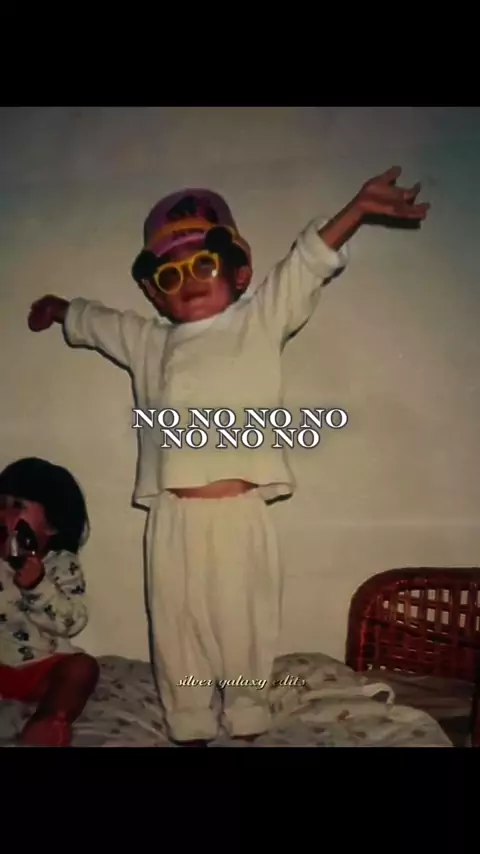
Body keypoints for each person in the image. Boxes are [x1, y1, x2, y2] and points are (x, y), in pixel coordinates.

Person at [27, 166, 429, 746]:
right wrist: (62, 308)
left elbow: (303, 266)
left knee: (243, 623)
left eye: (204, 265)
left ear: (239, 273)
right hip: (173, 518)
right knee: (175, 624)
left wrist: (357, 210)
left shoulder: (257, 322)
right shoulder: (151, 342)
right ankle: (188, 715)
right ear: (153, 291)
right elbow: (101, 323)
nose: (189, 281)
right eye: (171, 274)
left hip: (240, 514)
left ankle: (245, 710)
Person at [0, 457, 99, 747]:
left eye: (17, 505)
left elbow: (71, 622)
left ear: (52, 526)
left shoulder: (62, 566)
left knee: (82, 667)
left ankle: (50, 719)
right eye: (0, 504)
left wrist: (37, 586)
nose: (3, 513)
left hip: (41, 666)